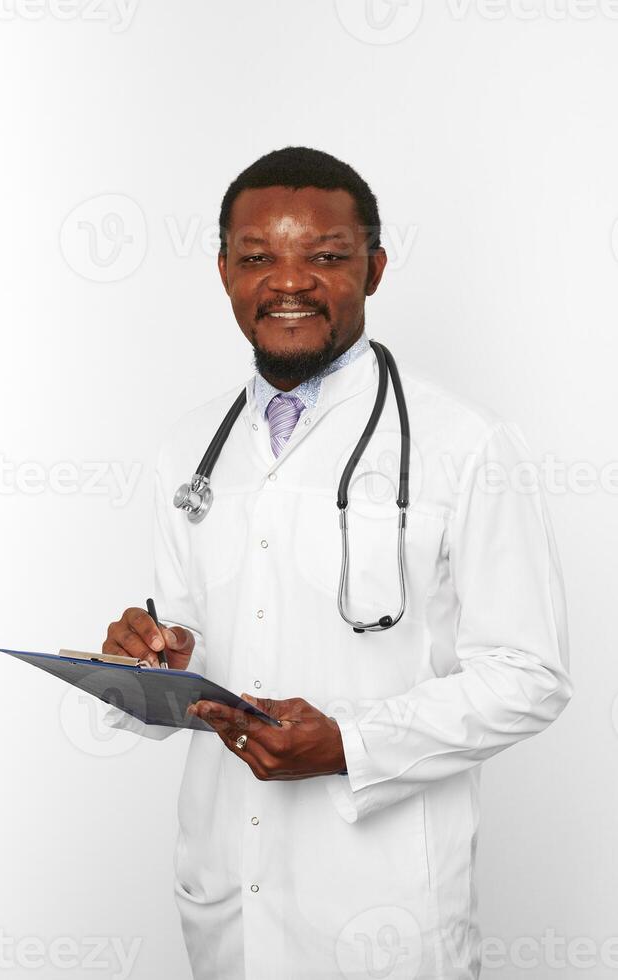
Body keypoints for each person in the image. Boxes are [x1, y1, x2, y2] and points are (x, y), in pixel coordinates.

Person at [102, 146, 573, 980]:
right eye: (258, 257)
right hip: (228, 903)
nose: (289, 282)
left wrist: (350, 743)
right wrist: (152, 662)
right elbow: (197, 646)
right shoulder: (190, 448)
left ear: (375, 268)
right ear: (223, 272)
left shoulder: (467, 445)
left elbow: (529, 675)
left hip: (386, 909)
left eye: (325, 256)